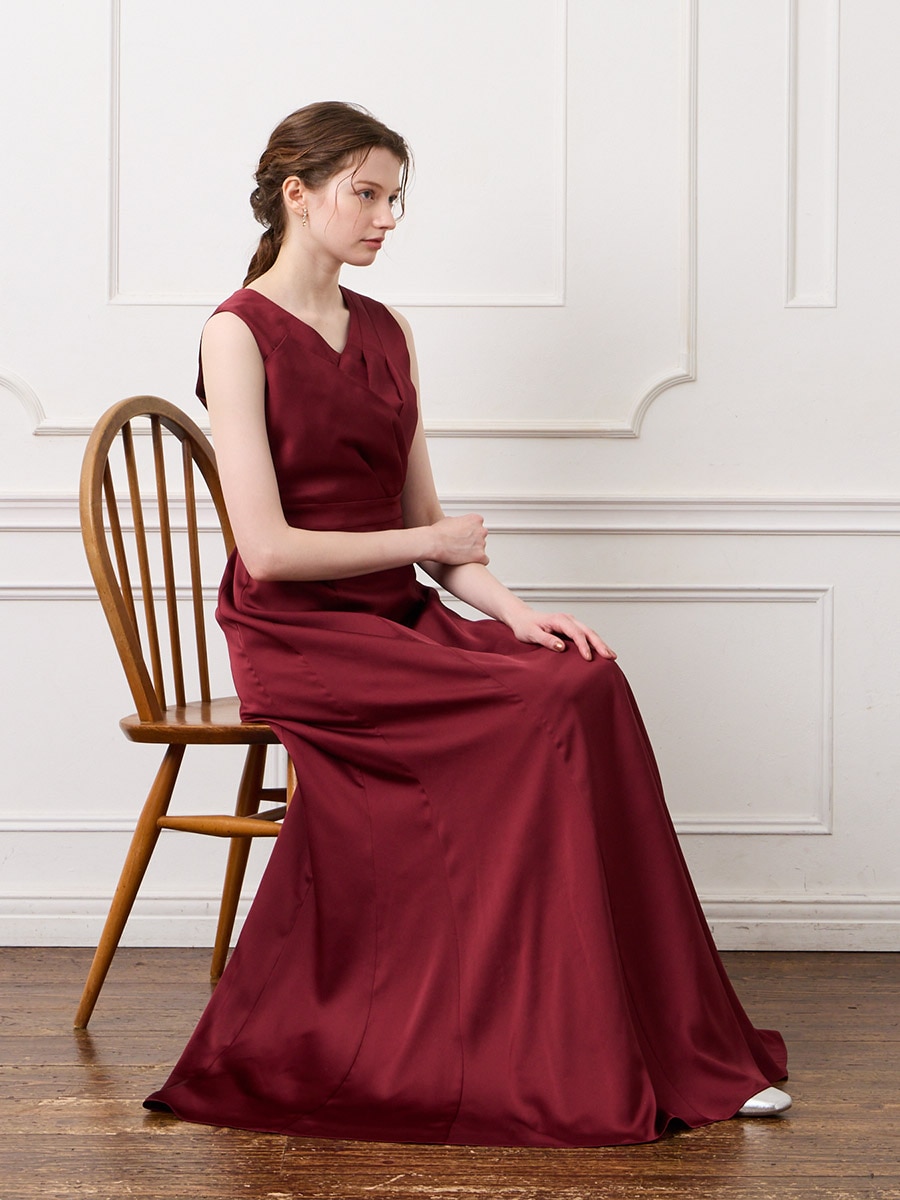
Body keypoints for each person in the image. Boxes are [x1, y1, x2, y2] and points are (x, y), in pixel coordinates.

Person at [144, 101, 790, 1145]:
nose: (386, 217)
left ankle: (668, 1038)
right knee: (536, 716)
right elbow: (270, 552)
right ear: (297, 195)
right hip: (300, 633)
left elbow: (432, 534)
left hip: (396, 613)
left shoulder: (388, 332)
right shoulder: (236, 333)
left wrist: (520, 612)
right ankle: (535, 1041)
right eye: (366, 193)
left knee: (583, 678)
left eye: (395, 197)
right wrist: (430, 545)